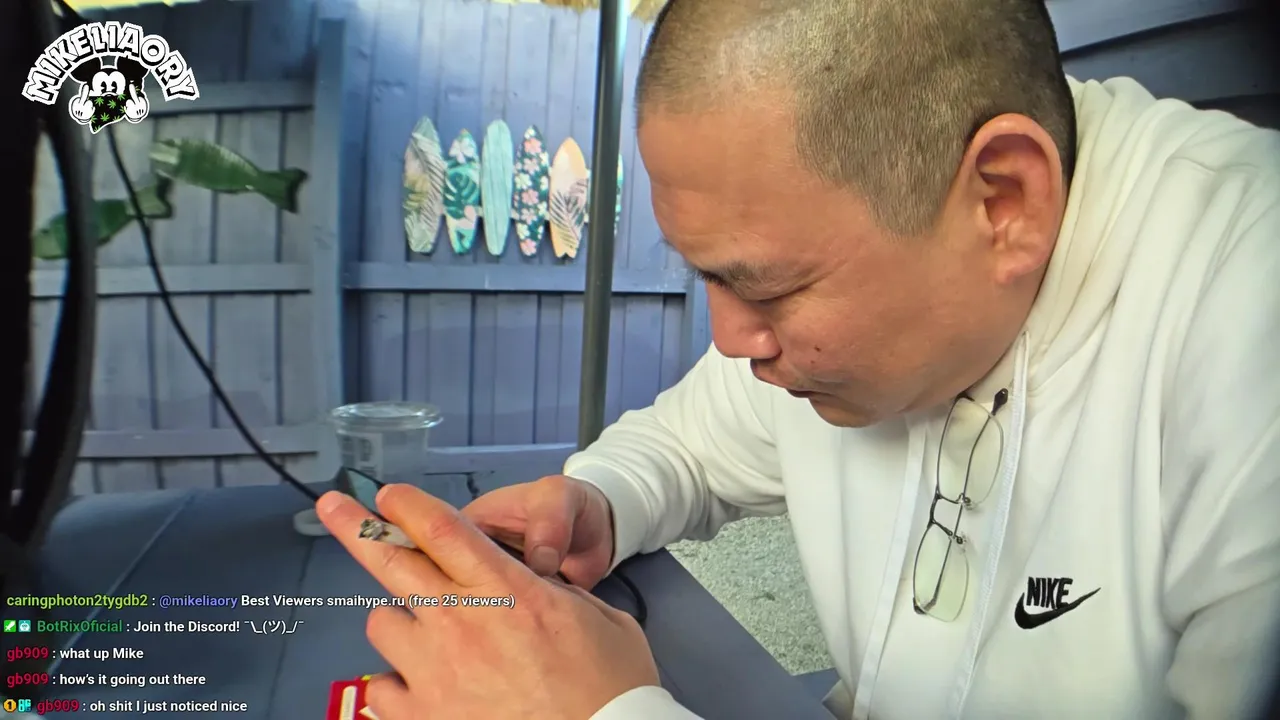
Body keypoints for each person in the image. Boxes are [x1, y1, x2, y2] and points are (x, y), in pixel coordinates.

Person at [316, 0, 1280, 717]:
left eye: (768, 288)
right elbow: (686, 445)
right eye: (705, 278)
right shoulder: (826, 278)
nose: (733, 340)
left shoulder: (1246, 318)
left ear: (1004, 201)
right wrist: (599, 499)